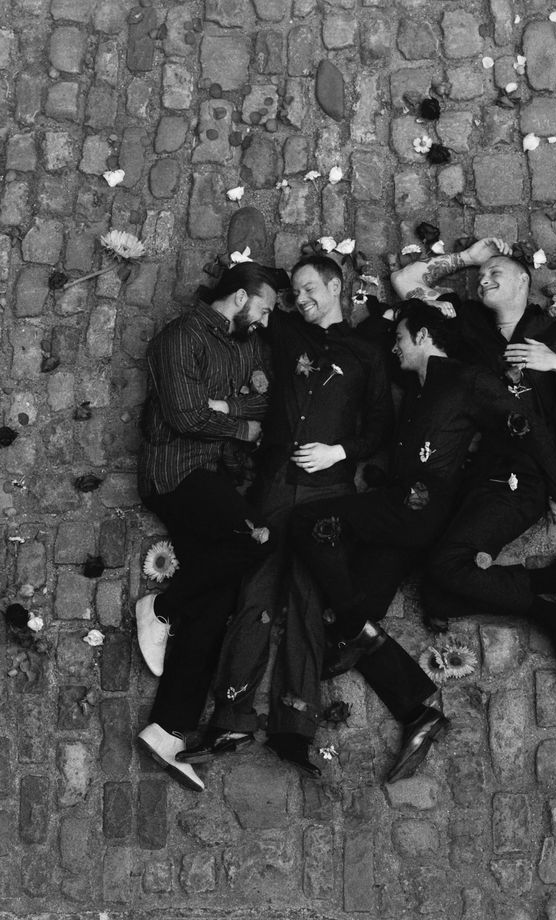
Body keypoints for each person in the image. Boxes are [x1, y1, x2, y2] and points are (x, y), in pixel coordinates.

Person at [289, 300, 556, 782]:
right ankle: (418, 712)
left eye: (401, 338)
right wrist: (386, 314)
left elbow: (525, 423)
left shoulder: (465, 379)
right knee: (358, 608)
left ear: (423, 337)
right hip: (402, 518)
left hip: (416, 510)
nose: (395, 348)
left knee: (305, 522)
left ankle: (360, 632)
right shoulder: (415, 387)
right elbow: (378, 347)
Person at [176, 255, 393, 777]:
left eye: (311, 287)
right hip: (273, 485)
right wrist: (266, 281)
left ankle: (293, 729)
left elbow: (383, 427)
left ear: (337, 286)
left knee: (307, 601)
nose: (302, 297)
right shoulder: (287, 329)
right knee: (254, 594)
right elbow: (248, 291)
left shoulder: (367, 352)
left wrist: (339, 453)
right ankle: (229, 717)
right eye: (295, 290)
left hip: (328, 491)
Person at [391, 240, 556, 692]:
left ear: (523, 281)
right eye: (481, 275)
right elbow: (405, 283)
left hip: (525, 475)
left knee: (445, 574)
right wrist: (466, 259)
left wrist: (554, 366)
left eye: (495, 271)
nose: (484, 279)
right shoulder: (468, 323)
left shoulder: (555, 336)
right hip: (469, 472)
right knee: (437, 590)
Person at [135, 262, 277, 791]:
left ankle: (168, 730)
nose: (263, 322)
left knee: (216, 604)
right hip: (176, 473)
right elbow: (184, 416)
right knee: (256, 537)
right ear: (240, 297)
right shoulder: (180, 337)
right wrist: (239, 422)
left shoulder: (245, 346)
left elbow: (266, 398)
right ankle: (162, 606)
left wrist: (225, 404)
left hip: (213, 477)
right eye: (262, 310)